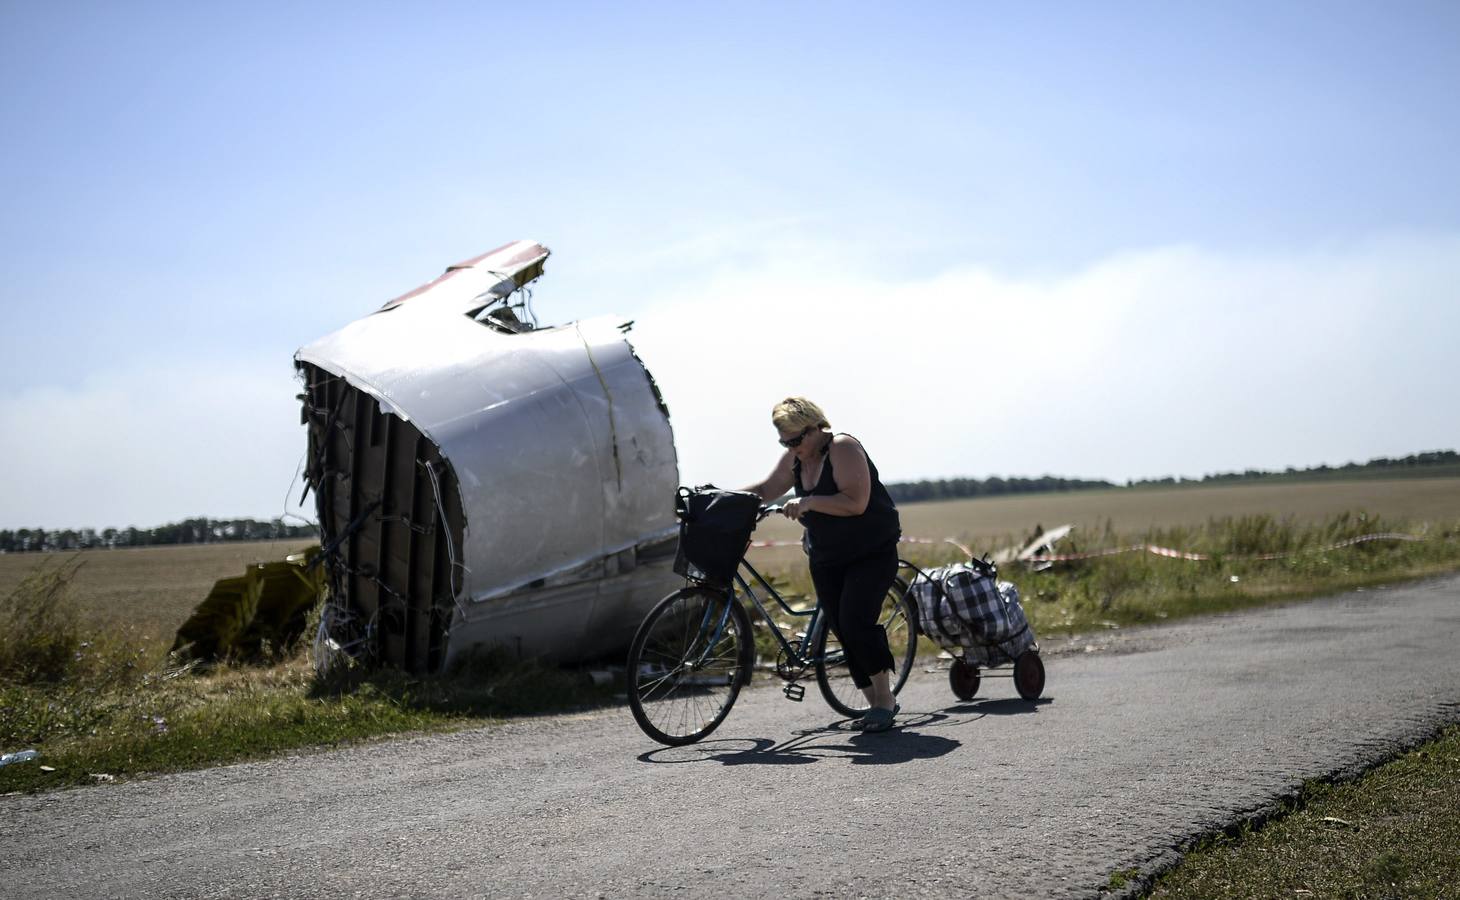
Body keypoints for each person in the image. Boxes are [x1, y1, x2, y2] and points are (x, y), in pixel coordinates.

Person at [743, 397, 903, 732]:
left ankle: (886, 700)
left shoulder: (842, 448)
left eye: (796, 439)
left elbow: (855, 503)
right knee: (842, 628)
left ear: (816, 427)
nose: (792, 447)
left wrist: (808, 501)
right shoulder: (797, 457)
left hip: (870, 552)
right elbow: (766, 488)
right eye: (785, 441)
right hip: (828, 555)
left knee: (854, 620)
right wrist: (723, 497)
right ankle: (873, 705)